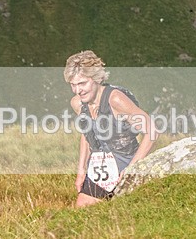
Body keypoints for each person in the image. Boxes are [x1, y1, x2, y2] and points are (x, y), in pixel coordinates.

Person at [64, 51, 154, 207]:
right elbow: (87, 134)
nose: (78, 90)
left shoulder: (115, 99)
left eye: (83, 83)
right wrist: (81, 170)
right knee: (82, 217)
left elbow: (152, 131)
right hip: (99, 166)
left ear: (96, 79)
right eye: (73, 85)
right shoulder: (78, 103)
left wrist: (132, 169)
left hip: (126, 163)